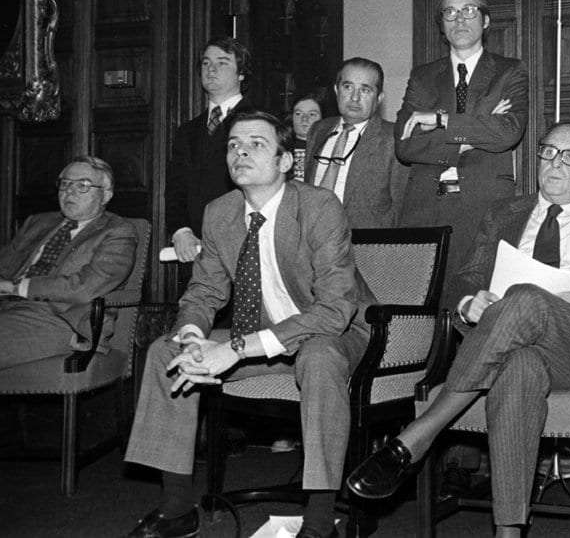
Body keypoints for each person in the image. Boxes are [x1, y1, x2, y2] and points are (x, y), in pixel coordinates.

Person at [347, 121, 570, 538]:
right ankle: (508, 531)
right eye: (548, 152)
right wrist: (466, 301)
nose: (556, 163)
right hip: (518, 343)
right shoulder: (503, 213)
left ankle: (419, 433)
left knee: (527, 296)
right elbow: (467, 278)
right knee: (520, 368)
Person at [125, 111, 375, 538]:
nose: (240, 151)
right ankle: (177, 508)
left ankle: (319, 521)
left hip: (336, 332)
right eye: (233, 144)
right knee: (166, 350)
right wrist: (191, 335)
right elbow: (204, 294)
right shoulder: (220, 212)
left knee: (317, 355)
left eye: (256, 144)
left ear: (284, 162)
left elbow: (334, 311)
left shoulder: (317, 206)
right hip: (265, 335)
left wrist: (236, 349)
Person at [395, 0, 528, 302]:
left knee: (477, 309)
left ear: (485, 20)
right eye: (449, 12)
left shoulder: (509, 71)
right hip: (426, 208)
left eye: (469, 10)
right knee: (421, 310)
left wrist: (441, 121)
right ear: (442, 25)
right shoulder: (423, 76)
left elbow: (507, 133)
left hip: (483, 207)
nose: (459, 18)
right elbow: (405, 145)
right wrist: (475, 130)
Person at [0, 156, 138, 370]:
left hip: (58, 319)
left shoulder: (117, 232)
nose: (69, 192)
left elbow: (86, 287)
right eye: (65, 184)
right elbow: (4, 266)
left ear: (105, 195)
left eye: (83, 185)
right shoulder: (37, 222)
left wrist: (18, 287)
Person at [166, 36, 254, 265]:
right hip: (194, 247)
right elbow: (176, 189)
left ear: (241, 73)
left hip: (243, 246)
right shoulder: (187, 131)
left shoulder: (258, 120)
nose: (211, 69)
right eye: (206, 63)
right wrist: (181, 232)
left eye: (222, 62)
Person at [305, 58, 408, 228]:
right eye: (348, 87)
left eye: (365, 90)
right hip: (314, 238)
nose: (354, 97)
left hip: (366, 246)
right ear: (336, 90)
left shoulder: (393, 138)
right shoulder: (319, 130)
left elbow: (401, 206)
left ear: (379, 97)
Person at [289, 91, 324, 182]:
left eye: (312, 114)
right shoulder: (280, 149)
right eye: (298, 114)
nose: (304, 119)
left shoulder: (329, 150)